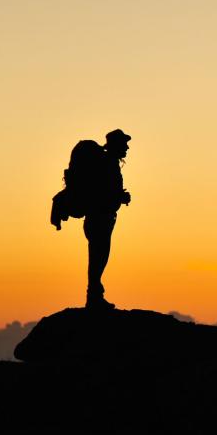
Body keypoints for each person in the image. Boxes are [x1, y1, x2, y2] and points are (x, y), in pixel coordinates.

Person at [83, 129, 132, 310]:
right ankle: (94, 299)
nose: (127, 147)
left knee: (98, 258)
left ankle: (94, 297)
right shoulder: (107, 165)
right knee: (98, 259)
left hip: (100, 218)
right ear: (116, 145)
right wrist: (120, 197)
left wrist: (118, 196)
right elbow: (103, 192)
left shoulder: (108, 163)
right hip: (100, 219)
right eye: (124, 144)